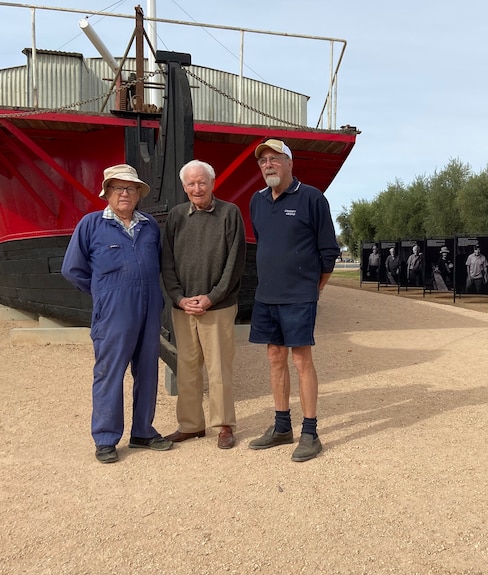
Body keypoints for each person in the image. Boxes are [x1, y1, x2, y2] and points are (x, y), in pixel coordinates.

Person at [61, 164, 172, 464]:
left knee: (148, 371)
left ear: (138, 194)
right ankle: (106, 438)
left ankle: (143, 432)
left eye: (131, 188)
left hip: (149, 310)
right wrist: (103, 293)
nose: (125, 193)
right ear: (107, 192)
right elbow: (72, 269)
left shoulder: (149, 226)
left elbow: (162, 265)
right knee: (109, 373)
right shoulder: (91, 225)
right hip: (113, 313)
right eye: (118, 188)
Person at [248, 139, 340, 462]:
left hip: (299, 296)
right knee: (275, 358)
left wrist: (315, 288)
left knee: (301, 361)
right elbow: (264, 244)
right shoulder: (257, 202)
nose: (268, 165)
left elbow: (328, 252)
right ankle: (281, 427)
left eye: (275, 159)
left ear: (290, 163)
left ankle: (310, 432)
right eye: (263, 161)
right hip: (267, 296)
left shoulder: (312, 198)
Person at [161, 160, 246, 449]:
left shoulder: (229, 214)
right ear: (184, 187)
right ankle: (190, 424)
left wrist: (212, 296)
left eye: (202, 182)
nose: (197, 188)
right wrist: (178, 297)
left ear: (212, 183)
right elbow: (167, 261)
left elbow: (234, 263)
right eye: (191, 184)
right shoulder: (175, 217)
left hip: (218, 307)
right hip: (183, 306)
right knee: (186, 367)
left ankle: (224, 425)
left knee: (219, 367)